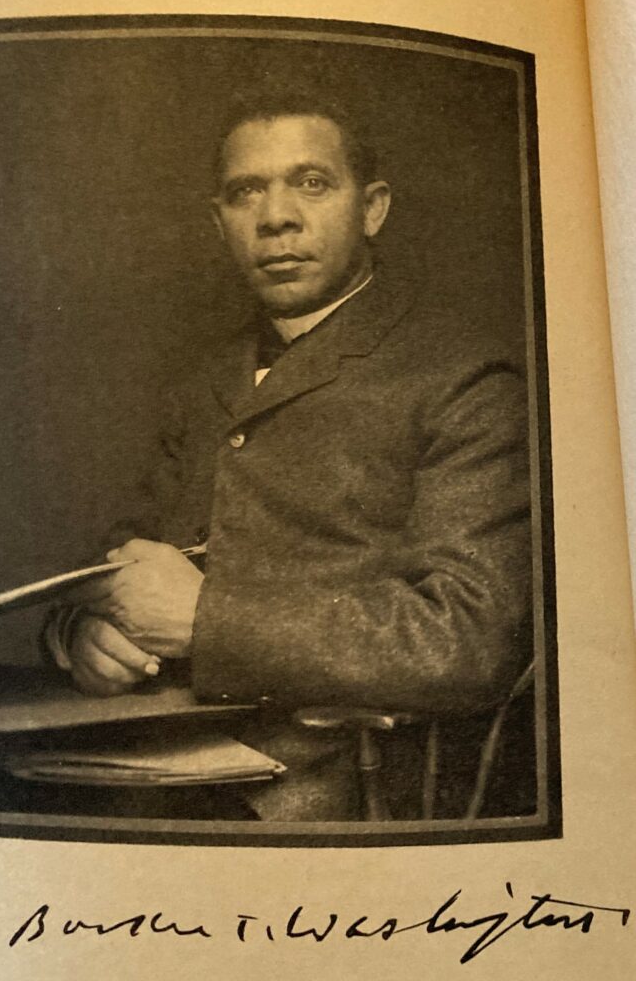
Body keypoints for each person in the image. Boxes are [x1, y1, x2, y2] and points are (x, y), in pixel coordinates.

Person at [44, 85, 534, 822]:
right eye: (247, 192)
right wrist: (82, 635)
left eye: (311, 183)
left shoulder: (462, 378)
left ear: (371, 208)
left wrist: (208, 621)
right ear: (220, 221)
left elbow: (468, 638)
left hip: (335, 800)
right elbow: (116, 562)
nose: (276, 217)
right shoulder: (206, 381)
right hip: (143, 767)